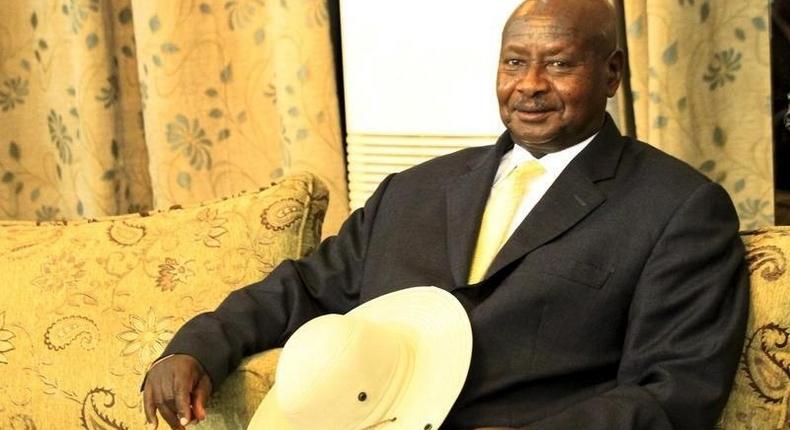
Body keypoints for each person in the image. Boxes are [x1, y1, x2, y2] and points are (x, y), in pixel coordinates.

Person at [143, 0, 749, 429]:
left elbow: (675, 390)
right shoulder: (414, 191)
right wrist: (193, 349)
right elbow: (305, 287)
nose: (530, 85)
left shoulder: (678, 209)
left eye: (560, 64)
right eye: (514, 62)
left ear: (611, 72)